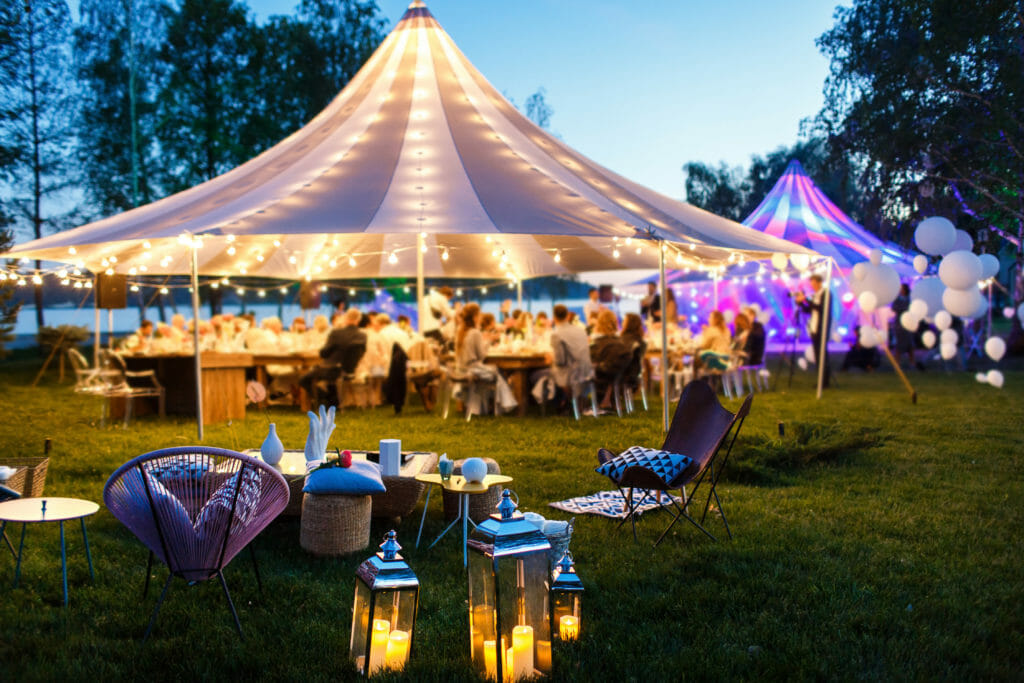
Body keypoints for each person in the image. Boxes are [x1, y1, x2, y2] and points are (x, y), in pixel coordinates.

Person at [455, 303, 516, 414]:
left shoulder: (461, 331)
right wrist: (489, 341)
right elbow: (481, 356)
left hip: (461, 369)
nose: (480, 317)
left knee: (496, 371)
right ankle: (504, 405)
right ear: (474, 317)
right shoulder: (475, 332)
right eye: (479, 315)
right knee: (498, 371)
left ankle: (495, 405)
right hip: (472, 370)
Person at [298, 308, 366, 403]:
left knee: (303, 380)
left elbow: (324, 353)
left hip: (332, 370)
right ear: (359, 320)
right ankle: (332, 399)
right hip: (350, 371)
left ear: (346, 319)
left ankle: (325, 398)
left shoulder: (337, 333)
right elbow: (362, 353)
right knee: (329, 375)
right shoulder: (362, 336)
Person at [534, 303, 593, 409]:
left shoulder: (557, 334)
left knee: (534, 375)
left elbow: (560, 361)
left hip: (571, 374)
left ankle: (558, 404)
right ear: (567, 316)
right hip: (587, 370)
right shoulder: (581, 330)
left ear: (554, 317)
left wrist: (551, 359)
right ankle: (567, 402)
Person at [794, 274, 833, 387]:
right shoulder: (816, 295)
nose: (813, 286)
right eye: (812, 284)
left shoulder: (826, 294)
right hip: (814, 328)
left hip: (822, 328)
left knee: (822, 355)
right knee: (818, 355)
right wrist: (801, 303)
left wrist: (806, 299)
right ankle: (821, 380)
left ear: (819, 282)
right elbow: (810, 310)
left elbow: (822, 308)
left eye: (814, 284)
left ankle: (825, 381)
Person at [589, 310, 631, 408]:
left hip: (601, 375)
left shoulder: (596, 344)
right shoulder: (621, 343)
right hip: (618, 376)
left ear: (598, 323)